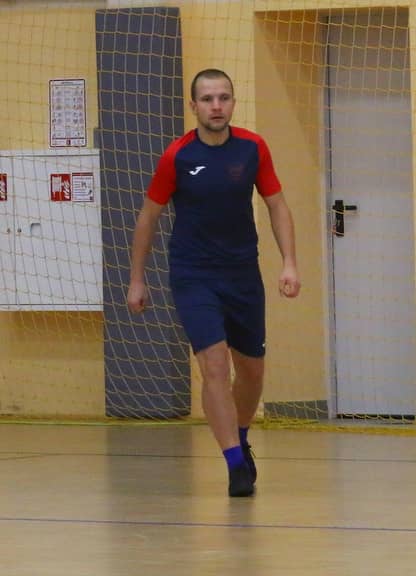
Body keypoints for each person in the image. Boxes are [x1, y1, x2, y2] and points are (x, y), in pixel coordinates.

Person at [127, 68, 300, 497]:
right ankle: (235, 463)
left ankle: (240, 435)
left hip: (242, 274)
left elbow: (277, 205)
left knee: (252, 372)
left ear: (233, 103)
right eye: (207, 99)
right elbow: (148, 218)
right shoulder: (178, 156)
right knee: (215, 366)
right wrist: (136, 280)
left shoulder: (253, 148)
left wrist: (289, 263)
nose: (216, 106)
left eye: (223, 97)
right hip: (194, 275)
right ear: (194, 106)